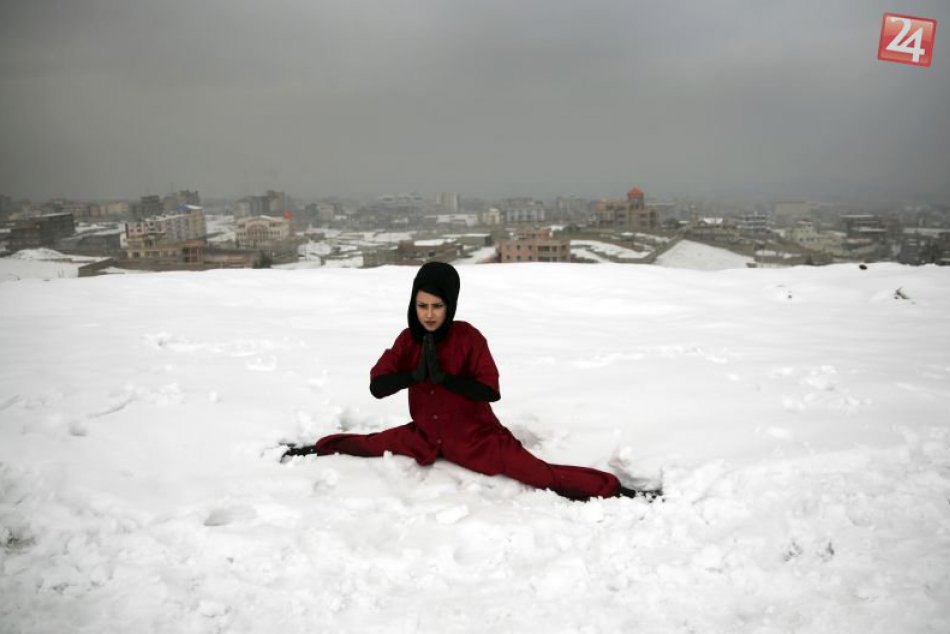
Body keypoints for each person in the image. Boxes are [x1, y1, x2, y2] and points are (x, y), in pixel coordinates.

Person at [283, 261, 656, 502]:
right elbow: (377, 386)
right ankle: (317, 448)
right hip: (426, 437)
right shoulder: (407, 339)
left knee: (541, 475)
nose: (429, 314)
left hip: (478, 442)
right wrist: (412, 376)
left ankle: (617, 490)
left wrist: (445, 379)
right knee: (368, 443)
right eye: (422, 305)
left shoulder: (469, 338)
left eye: (437, 306)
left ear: (451, 305)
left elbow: (490, 390)